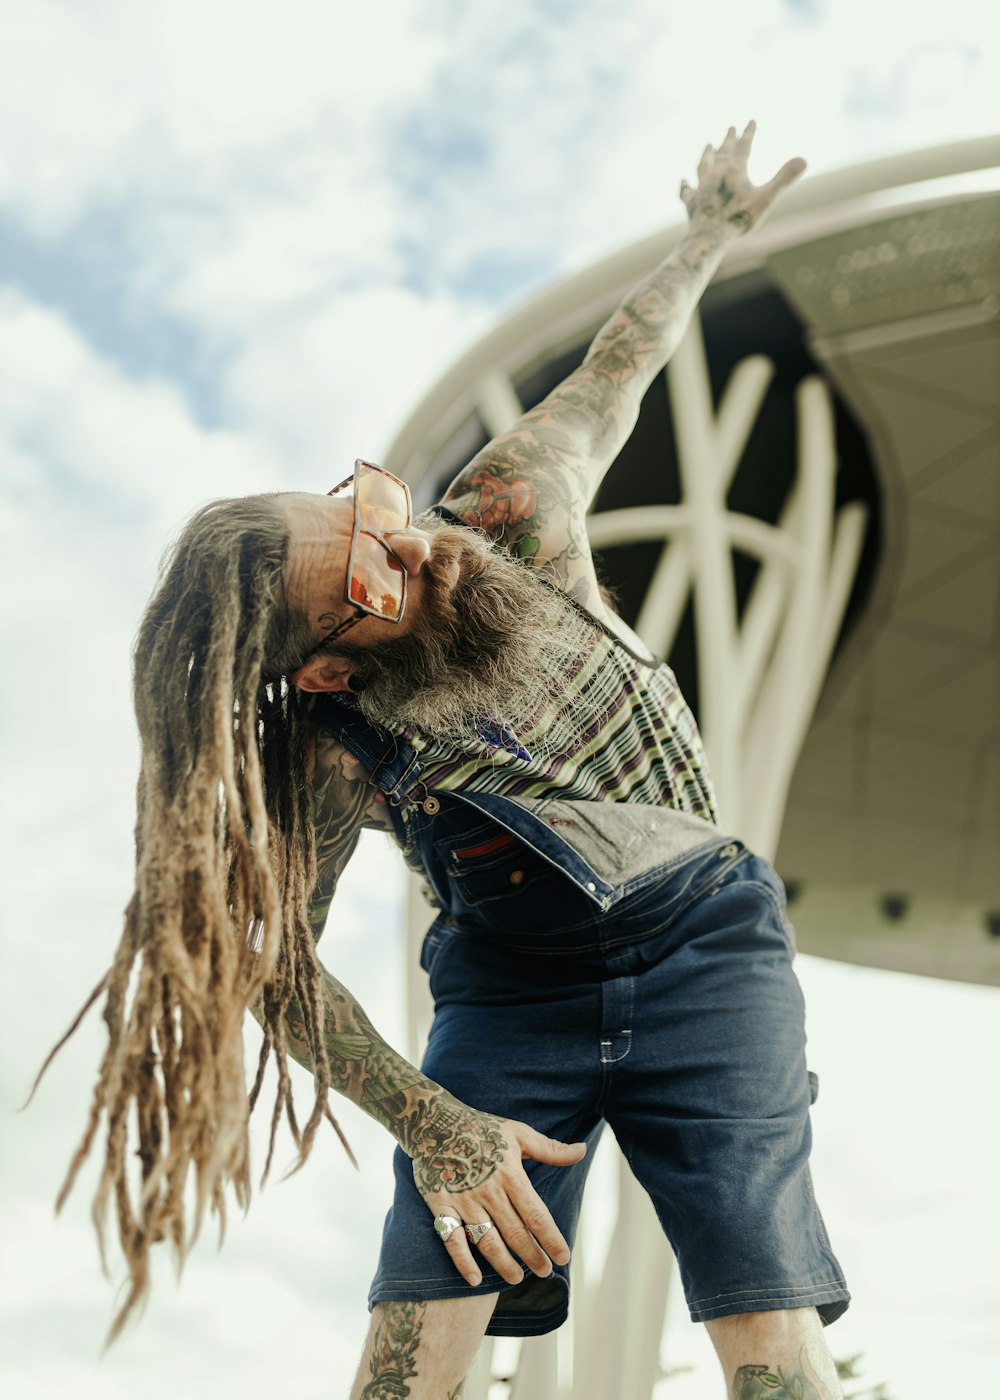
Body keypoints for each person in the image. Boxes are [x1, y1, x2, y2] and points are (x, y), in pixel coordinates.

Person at [38, 122, 850, 1398]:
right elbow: (269, 968)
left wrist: (710, 235)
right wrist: (436, 1123)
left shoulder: (510, 510)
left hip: (707, 950)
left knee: (772, 1340)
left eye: (369, 505)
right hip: (510, 998)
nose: (407, 542)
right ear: (321, 665)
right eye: (366, 572)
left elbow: (619, 369)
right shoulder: (333, 750)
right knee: (411, 1362)